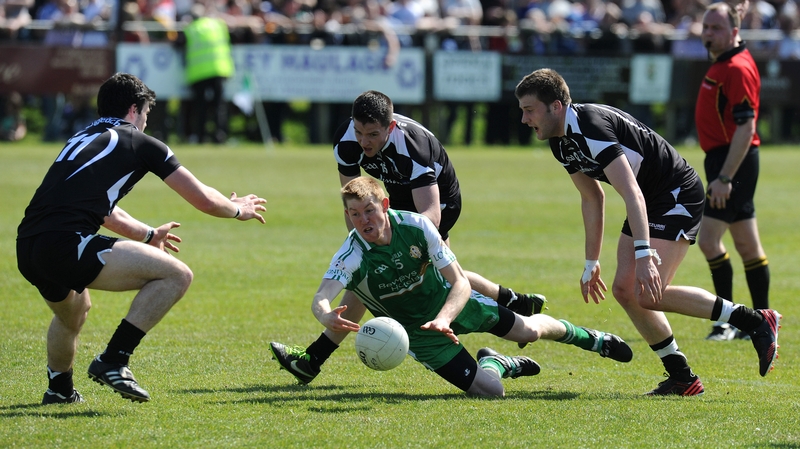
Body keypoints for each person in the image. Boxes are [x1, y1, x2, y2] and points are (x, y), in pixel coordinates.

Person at [514, 68, 781, 396]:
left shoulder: (590, 127)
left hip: (675, 194)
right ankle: (682, 377)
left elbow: (630, 192)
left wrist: (644, 255)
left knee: (647, 290)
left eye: (529, 110)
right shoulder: (561, 142)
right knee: (626, 291)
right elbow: (592, 197)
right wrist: (590, 261)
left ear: (555, 106)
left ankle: (755, 320)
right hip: (647, 200)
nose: (524, 119)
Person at [16, 73, 267, 405]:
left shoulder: (81, 137)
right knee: (176, 274)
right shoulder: (137, 142)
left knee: (74, 312)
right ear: (134, 109)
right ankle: (114, 359)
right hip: (66, 244)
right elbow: (203, 198)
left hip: (28, 246)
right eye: (147, 114)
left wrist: (148, 234)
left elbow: (102, 211)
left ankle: (59, 390)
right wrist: (237, 210)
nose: (147, 122)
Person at [269, 91, 545, 385]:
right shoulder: (346, 141)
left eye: (373, 134)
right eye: (360, 132)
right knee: (372, 274)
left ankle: (313, 359)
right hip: (394, 190)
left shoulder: (412, 147)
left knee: (438, 274)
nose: (364, 141)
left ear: (389, 128)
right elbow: (351, 204)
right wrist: (363, 252)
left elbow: (430, 215)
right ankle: (512, 299)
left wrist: (392, 251)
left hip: (438, 199)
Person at [273, 177, 633, 396]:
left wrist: (445, 317)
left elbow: (460, 282)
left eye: (368, 210)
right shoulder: (353, 252)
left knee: (528, 330)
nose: (363, 221)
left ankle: (592, 339)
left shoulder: (416, 227)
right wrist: (326, 316)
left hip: (452, 304)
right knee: (492, 392)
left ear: (384, 204)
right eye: (354, 214)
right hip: (422, 336)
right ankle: (498, 364)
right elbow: (322, 295)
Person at [696, 2, 770, 342]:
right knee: (747, 246)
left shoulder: (736, 67)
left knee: (709, 240)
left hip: (733, 162)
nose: (708, 33)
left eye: (717, 28)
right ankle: (763, 318)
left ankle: (728, 322)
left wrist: (724, 177)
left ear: (735, 32)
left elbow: (746, 127)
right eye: (706, 27)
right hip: (728, 160)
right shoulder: (724, 62)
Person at [179, 3, 235, 144]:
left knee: (201, 108)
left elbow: (178, 43)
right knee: (218, 107)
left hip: (199, 73)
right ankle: (220, 136)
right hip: (219, 69)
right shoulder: (218, 25)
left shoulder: (190, 29)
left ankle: (201, 136)